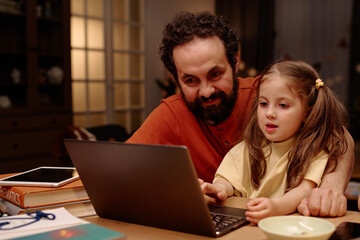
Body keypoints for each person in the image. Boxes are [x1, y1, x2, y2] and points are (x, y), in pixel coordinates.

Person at [126, 11, 354, 217]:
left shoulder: (267, 93)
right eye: (190, 80)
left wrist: (328, 189)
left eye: (215, 74)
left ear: (234, 61)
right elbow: (119, 166)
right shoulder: (171, 113)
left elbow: (338, 136)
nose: (206, 91)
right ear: (176, 78)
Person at [200, 60, 349, 223]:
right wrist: (219, 189)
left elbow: (305, 190)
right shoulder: (248, 148)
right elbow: (229, 180)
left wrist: (276, 207)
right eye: (263, 103)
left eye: (283, 105)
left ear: (307, 112)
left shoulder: (315, 150)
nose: (270, 113)